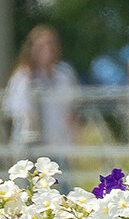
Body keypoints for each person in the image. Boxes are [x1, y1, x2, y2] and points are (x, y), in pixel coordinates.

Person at [2, 25, 79, 153]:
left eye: (50, 45)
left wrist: (74, 139)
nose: (48, 50)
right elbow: (19, 111)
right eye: (42, 46)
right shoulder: (22, 77)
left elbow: (72, 109)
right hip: (31, 146)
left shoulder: (65, 74)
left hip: (60, 145)